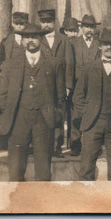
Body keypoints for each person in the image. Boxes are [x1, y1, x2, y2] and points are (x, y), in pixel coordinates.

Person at [0, 23, 65, 181]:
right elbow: (3, 94)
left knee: (43, 171)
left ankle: (41, 203)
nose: (30, 40)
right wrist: (10, 113)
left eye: (34, 37)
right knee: (15, 170)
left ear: (40, 39)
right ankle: (17, 203)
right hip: (18, 120)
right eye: (27, 37)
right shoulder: (11, 64)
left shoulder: (53, 63)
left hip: (43, 120)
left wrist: (54, 115)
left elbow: (60, 96)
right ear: (22, 40)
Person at [73, 28, 111, 180]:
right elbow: (78, 97)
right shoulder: (88, 68)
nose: (109, 48)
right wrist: (89, 113)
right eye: (106, 44)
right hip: (93, 124)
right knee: (87, 168)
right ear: (100, 46)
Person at [38, 9, 75, 158]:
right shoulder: (37, 39)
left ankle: (57, 146)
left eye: (49, 21)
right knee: (42, 115)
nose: (46, 25)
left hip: (59, 84)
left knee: (59, 115)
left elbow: (69, 63)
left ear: (54, 22)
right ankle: (43, 146)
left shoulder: (63, 40)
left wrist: (68, 85)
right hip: (43, 84)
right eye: (43, 22)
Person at [70, 14, 101, 156]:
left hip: (94, 85)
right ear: (81, 28)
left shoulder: (99, 43)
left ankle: (92, 145)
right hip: (77, 84)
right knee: (76, 113)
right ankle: (75, 144)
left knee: (94, 113)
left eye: (91, 27)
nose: (89, 30)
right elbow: (69, 64)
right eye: (86, 27)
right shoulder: (73, 43)